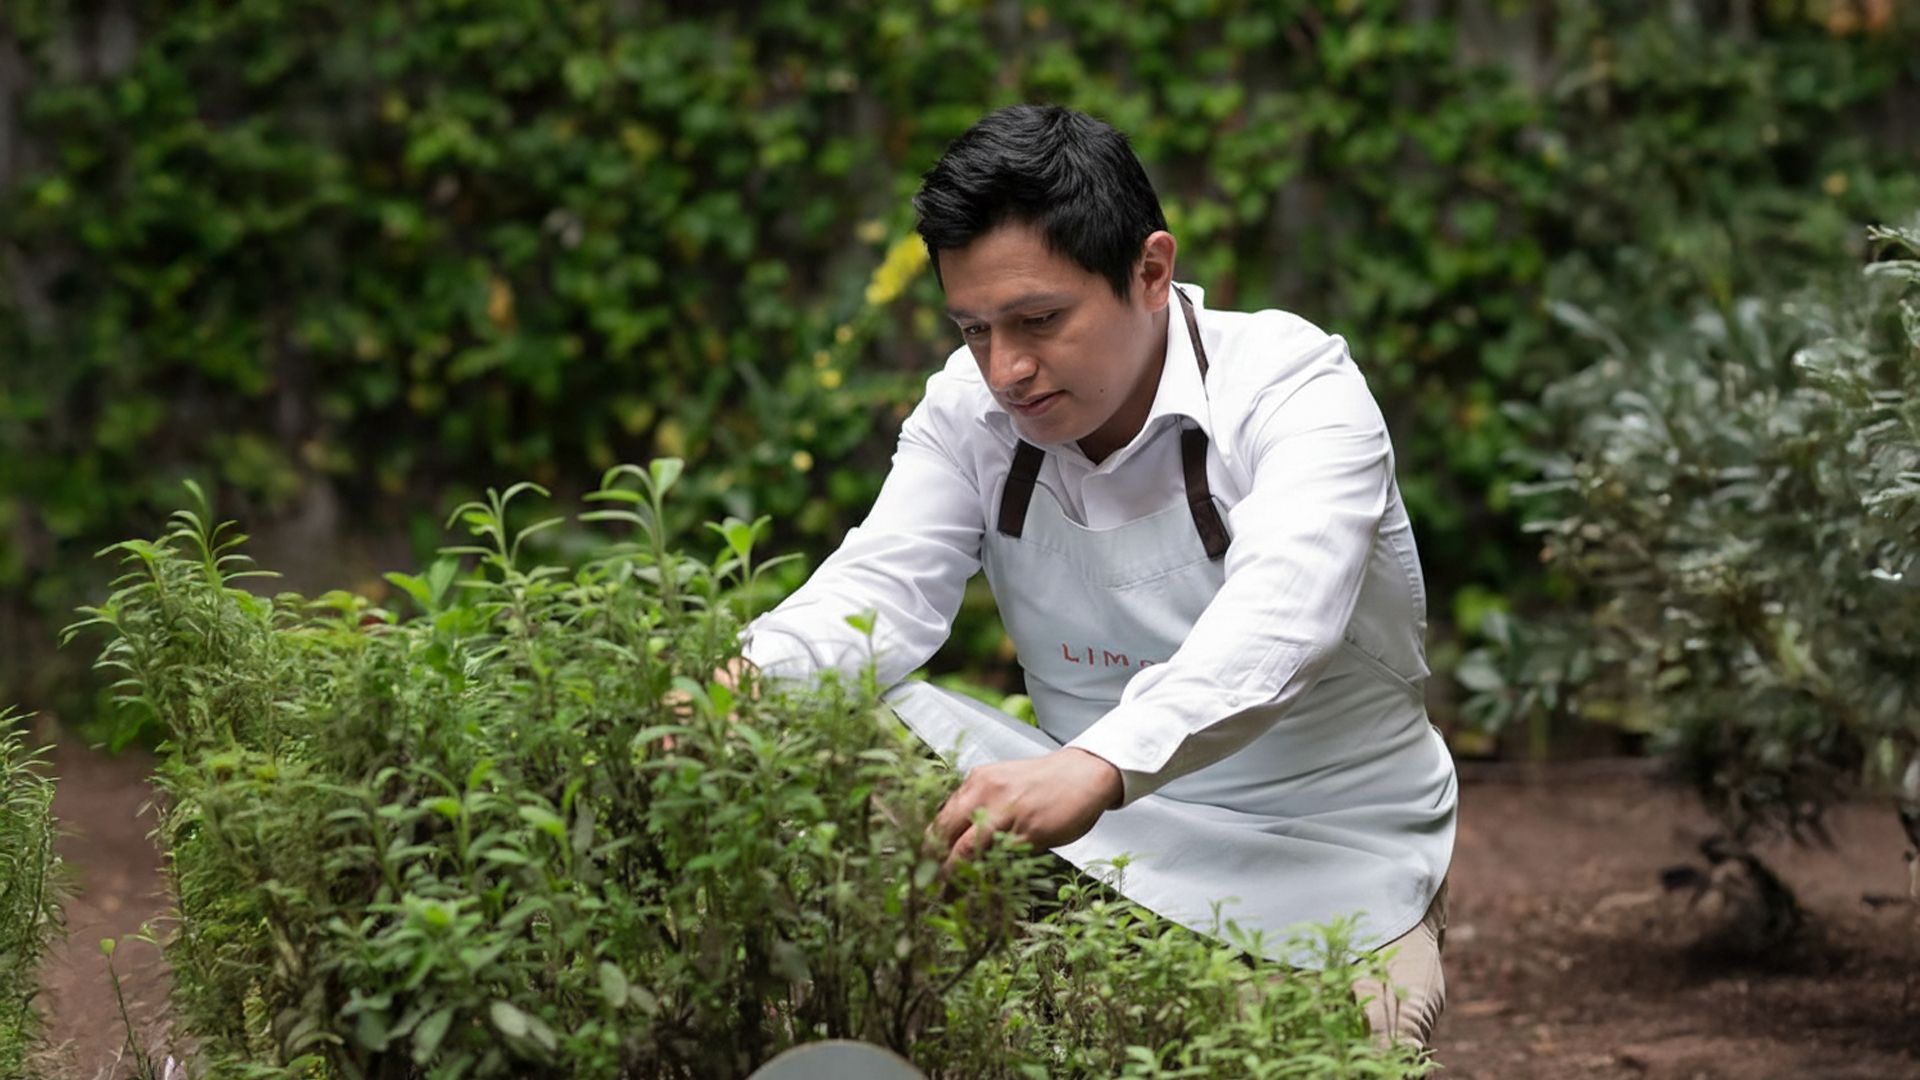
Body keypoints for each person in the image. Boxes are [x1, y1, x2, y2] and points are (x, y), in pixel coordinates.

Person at [739, 104, 1457, 1047]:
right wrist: (725, 689)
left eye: (1039, 320)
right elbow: (879, 592)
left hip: (1333, 853)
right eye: (974, 330)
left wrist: (1098, 764)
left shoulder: (1294, 387)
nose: (1007, 370)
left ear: (1151, 272)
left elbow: (1281, 619)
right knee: (838, 719)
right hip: (1087, 844)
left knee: (1338, 1054)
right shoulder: (967, 412)